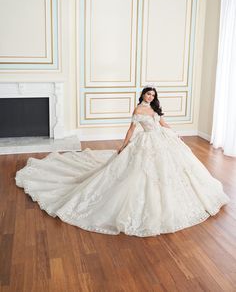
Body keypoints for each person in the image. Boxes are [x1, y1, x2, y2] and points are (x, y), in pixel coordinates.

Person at [15, 86, 230, 237]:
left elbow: (164, 123)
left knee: (175, 169)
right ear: (142, 95)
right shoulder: (138, 110)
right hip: (146, 142)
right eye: (147, 94)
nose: (149, 97)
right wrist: (124, 145)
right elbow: (132, 129)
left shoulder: (155, 109)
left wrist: (175, 135)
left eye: (152, 95)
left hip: (163, 140)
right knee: (139, 172)